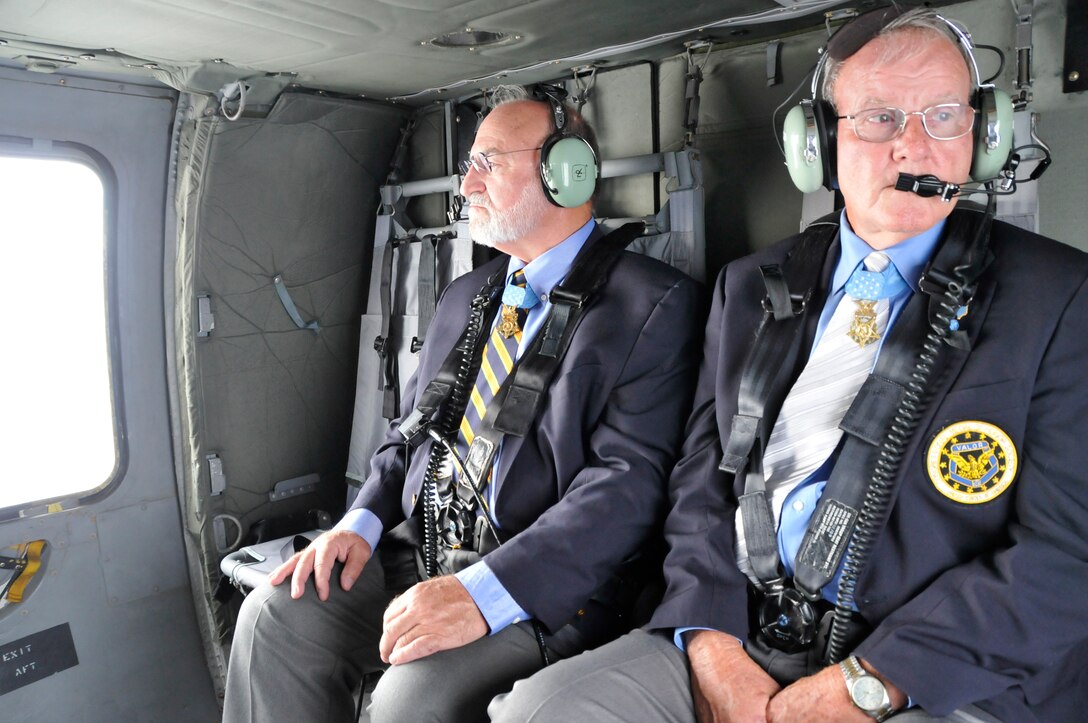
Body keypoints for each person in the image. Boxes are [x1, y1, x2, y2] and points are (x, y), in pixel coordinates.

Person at [492, 8, 1088, 722]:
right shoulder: (750, 286)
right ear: (820, 142)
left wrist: (868, 682)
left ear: (982, 135)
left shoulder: (1059, 297)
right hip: (743, 628)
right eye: (878, 118)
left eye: (945, 115)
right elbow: (703, 478)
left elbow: (1064, 553)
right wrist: (712, 642)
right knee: (539, 710)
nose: (915, 146)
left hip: (939, 668)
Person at [222, 84, 702, 722]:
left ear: (567, 173)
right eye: (467, 165)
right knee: (275, 616)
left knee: (411, 697)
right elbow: (407, 435)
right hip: (421, 552)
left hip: (547, 592)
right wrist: (357, 526)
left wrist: (482, 592)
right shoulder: (466, 296)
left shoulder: (656, 305)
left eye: (488, 163)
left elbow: (626, 487)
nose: (466, 185)